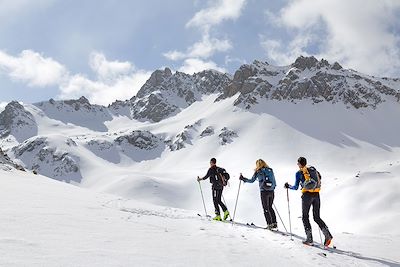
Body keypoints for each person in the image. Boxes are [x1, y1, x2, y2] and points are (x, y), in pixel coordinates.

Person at [284, 156, 333, 246]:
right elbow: (319, 178)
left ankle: (309, 239)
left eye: (298, 163)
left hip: (307, 196)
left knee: (305, 216)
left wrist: (288, 186)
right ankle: (327, 235)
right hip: (316, 194)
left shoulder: (299, 173)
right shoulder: (313, 170)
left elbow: (295, 187)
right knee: (316, 217)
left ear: (299, 164)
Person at [239, 159, 277, 230]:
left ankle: (269, 224)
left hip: (264, 192)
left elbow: (251, 180)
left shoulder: (258, 172)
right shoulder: (270, 170)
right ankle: (274, 223)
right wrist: (272, 187)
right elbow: (274, 181)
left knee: (265, 208)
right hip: (271, 191)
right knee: (270, 207)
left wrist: (243, 178)